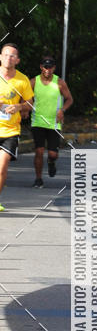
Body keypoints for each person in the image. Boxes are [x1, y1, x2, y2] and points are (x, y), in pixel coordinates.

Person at [30, 55, 73, 187]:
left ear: (54, 68)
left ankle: (51, 162)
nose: (47, 69)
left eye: (50, 67)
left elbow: (70, 99)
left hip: (54, 122)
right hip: (37, 121)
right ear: (41, 67)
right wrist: (26, 107)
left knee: (53, 154)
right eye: (45, 67)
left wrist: (63, 110)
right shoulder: (34, 82)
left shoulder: (59, 82)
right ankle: (38, 179)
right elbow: (26, 98)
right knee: (39, 151)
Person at [0, 43, 33, 211]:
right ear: (0, 57)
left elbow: (30, 103)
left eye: (12, 56)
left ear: (17, 60)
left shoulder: (22, 80)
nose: (8, 58)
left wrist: (19, 107)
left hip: (11, 130)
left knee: (2, 167)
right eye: (5, 55)